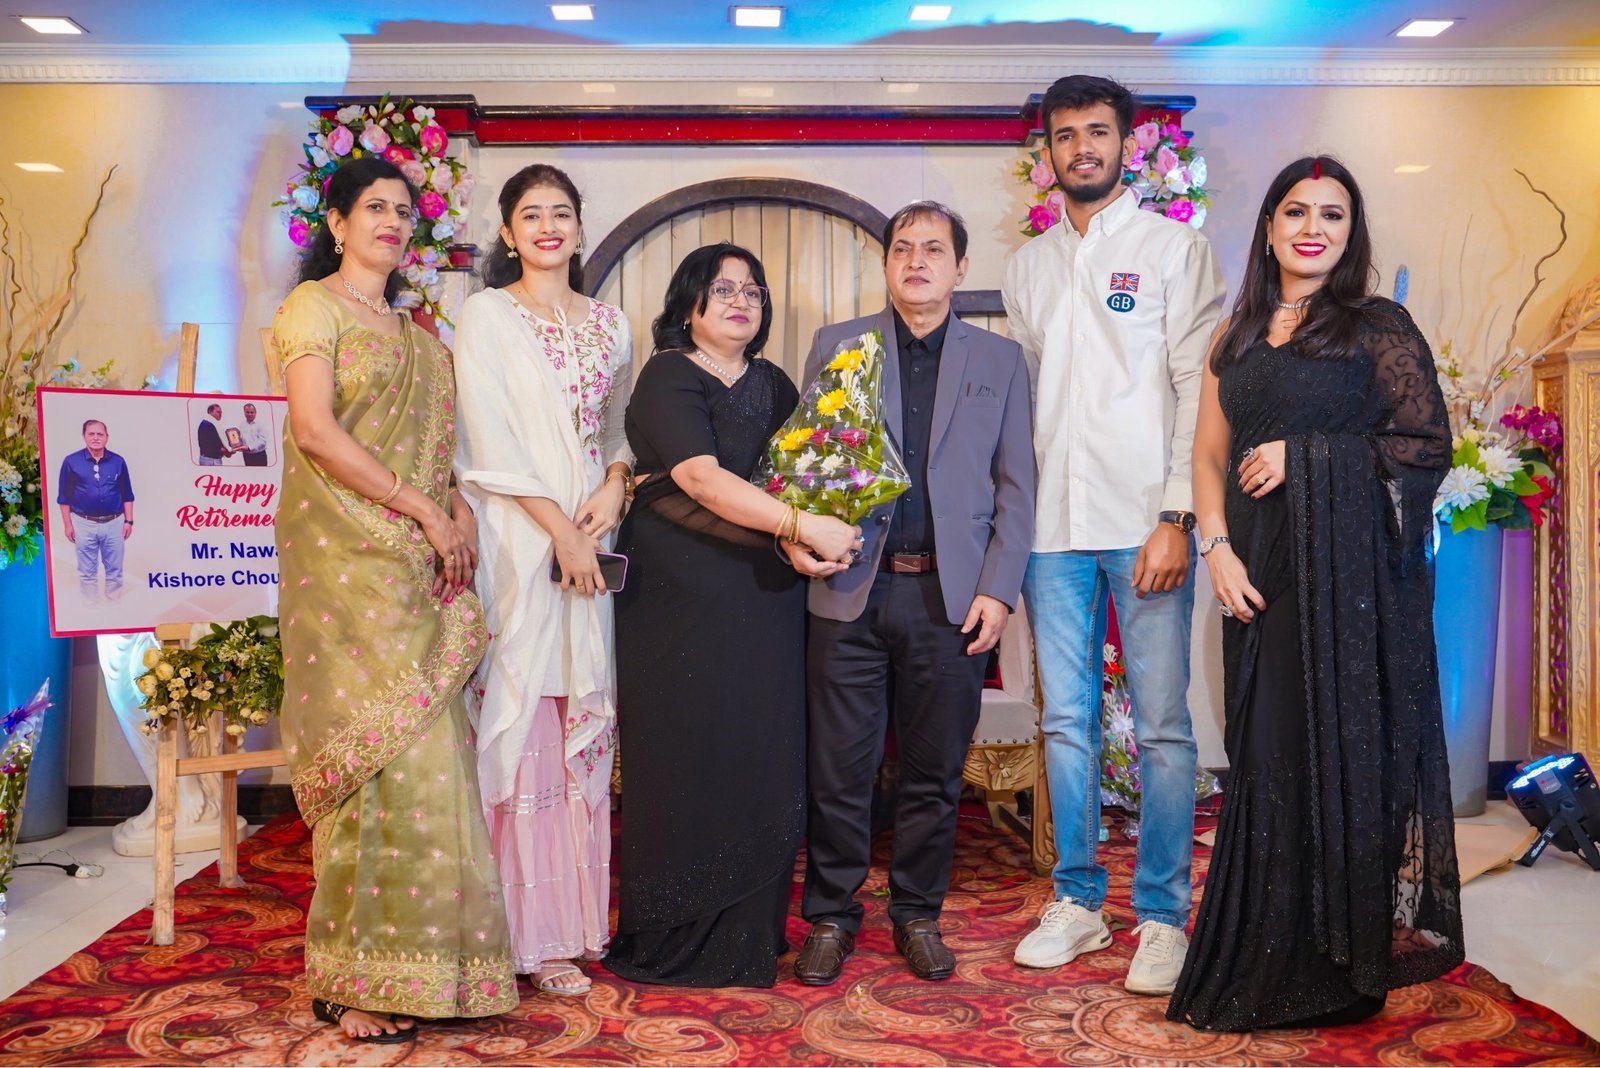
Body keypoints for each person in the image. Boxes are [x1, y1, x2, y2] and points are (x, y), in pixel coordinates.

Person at [1168, 156, 1463, 1031]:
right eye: (1296, 212)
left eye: (1332, 215)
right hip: (1254, 569)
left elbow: (1425, 445)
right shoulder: (1236, 335)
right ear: (1268, 228)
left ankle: (1336, 968)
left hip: (1347, 584)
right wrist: (1215, 548)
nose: (1313, 228)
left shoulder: (1376, 327)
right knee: (1261, 753)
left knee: (1333, 751)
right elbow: (1207, 456)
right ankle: (1259, 955)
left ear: (1350, 233)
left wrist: (1306, 456)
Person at [272, 156, 517, 1043]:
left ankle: (437, 970)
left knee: (435, 766)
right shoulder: (312, 310)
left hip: (421, 567)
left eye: (403, 210)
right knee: (373, 767)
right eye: (372, 207)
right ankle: (351, 980)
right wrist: (420, 508)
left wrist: (455, 511)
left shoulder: (421, 334)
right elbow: (314, 431)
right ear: (336, 223)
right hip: (346, 569)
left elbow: (439, 451)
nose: (391, 221)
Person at [1002, 74, 1226, 995]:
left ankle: (1163, 917)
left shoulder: (1175, 249)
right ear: (1048, 153)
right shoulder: (1028, 268)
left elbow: (1199, 391)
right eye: (1066, 135)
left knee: (1165, 729)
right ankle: (1079, 901)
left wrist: (1177, 515)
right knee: (1065, 723)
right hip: (1051, 530)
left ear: (1126, 145)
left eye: (1098, 132)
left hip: (1145, 525)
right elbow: (1022, 404)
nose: (1082, 148)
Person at [791, 202, 1035, 986]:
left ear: (960, 268)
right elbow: (806, 467)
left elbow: (1017, 488)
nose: (917, 261)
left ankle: (918, 913)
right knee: (839, 771)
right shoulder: (840, 346)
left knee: (933, 773)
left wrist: (999, 591)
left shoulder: (1000, 361)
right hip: (850, 591)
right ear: (887, 264)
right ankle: (831, 916)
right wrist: (794, 537)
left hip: (950, 599)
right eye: (903, 248)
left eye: (934, 249)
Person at [604, 243, 859, 988]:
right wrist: (801, 528)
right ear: (689, 303)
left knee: (760, 749)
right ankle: (672, 934)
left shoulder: (774, 383)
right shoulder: (669, 374)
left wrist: (810, 533)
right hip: (677, 597)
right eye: (722, 289)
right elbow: (700, 479)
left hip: (765, 593)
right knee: (685, 751)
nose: (740, 300)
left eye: (753, 290)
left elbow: (802, 475)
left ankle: (749, 933)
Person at [454, 164, 633, 996]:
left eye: (562, 213)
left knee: (577, 711)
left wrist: (615, 486)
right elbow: (484, 439)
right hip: (520, 542)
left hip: (592, 534)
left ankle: (572, 925)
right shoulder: (487, 315)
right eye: (531, 215)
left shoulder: (611, 324)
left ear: (580, 228)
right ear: (508, 231)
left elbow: (619, 427)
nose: (548, 227)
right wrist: (558, 532)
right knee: (524, 709)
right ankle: (520, 934)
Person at [56, 418, 134, 601]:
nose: (96, 438)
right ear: (84, 436)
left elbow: (127, 494)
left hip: (115, 523)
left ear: (107, 437)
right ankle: (91, 609)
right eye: (91, 434)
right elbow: (64, 497)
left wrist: (129, 521)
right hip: (83, 524)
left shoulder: (118, 461)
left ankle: (114, 607)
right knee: (87, 572)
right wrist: (68, 525)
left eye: (100, 434)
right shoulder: (71, 462)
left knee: (115, 571)